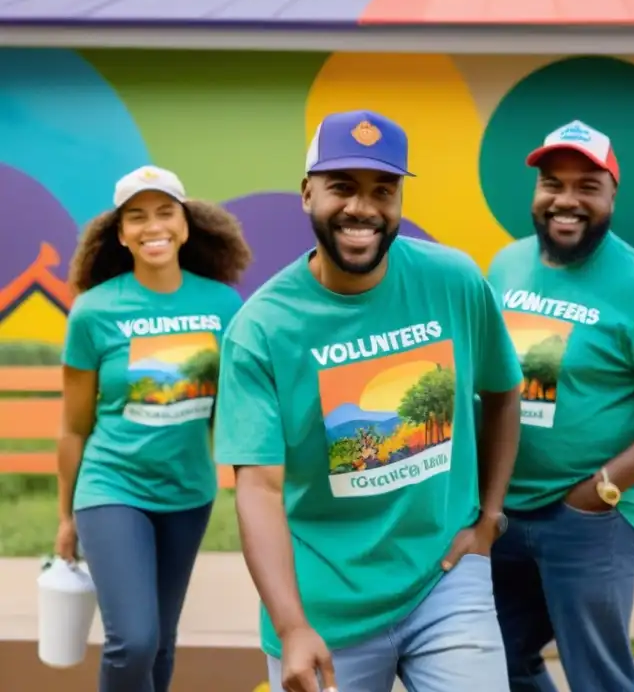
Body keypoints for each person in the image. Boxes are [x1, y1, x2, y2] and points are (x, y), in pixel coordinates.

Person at [213, 110, 523, 692]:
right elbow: (259, 488)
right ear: (307, 194)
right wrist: (292, 625)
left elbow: (504, 391)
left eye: (383, 190)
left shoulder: (453, 280)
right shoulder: (262, 329)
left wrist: (488, 520)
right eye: (341, 188)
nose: (363, 208)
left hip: (445, 578)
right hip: (323, 607)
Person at [486, 120, 634, 692]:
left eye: (587, 186)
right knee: (496, 659)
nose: (566, 200)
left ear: (612, 195)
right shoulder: (506, 265)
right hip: (504, 510)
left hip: (590, 519)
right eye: (552, 184)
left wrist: (602, 491)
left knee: (596, 676)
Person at [55, 166, 251, 692]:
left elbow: (234, 409)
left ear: (186, 224)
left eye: (165, 212)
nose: (152, 226)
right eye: (136, 217)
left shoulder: (222, 305)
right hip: (112, 488)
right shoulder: (94, 312)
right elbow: (74, 428)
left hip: (188, 494)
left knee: (162, 641)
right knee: (134, 640)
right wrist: (66, 516)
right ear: (120, 234)